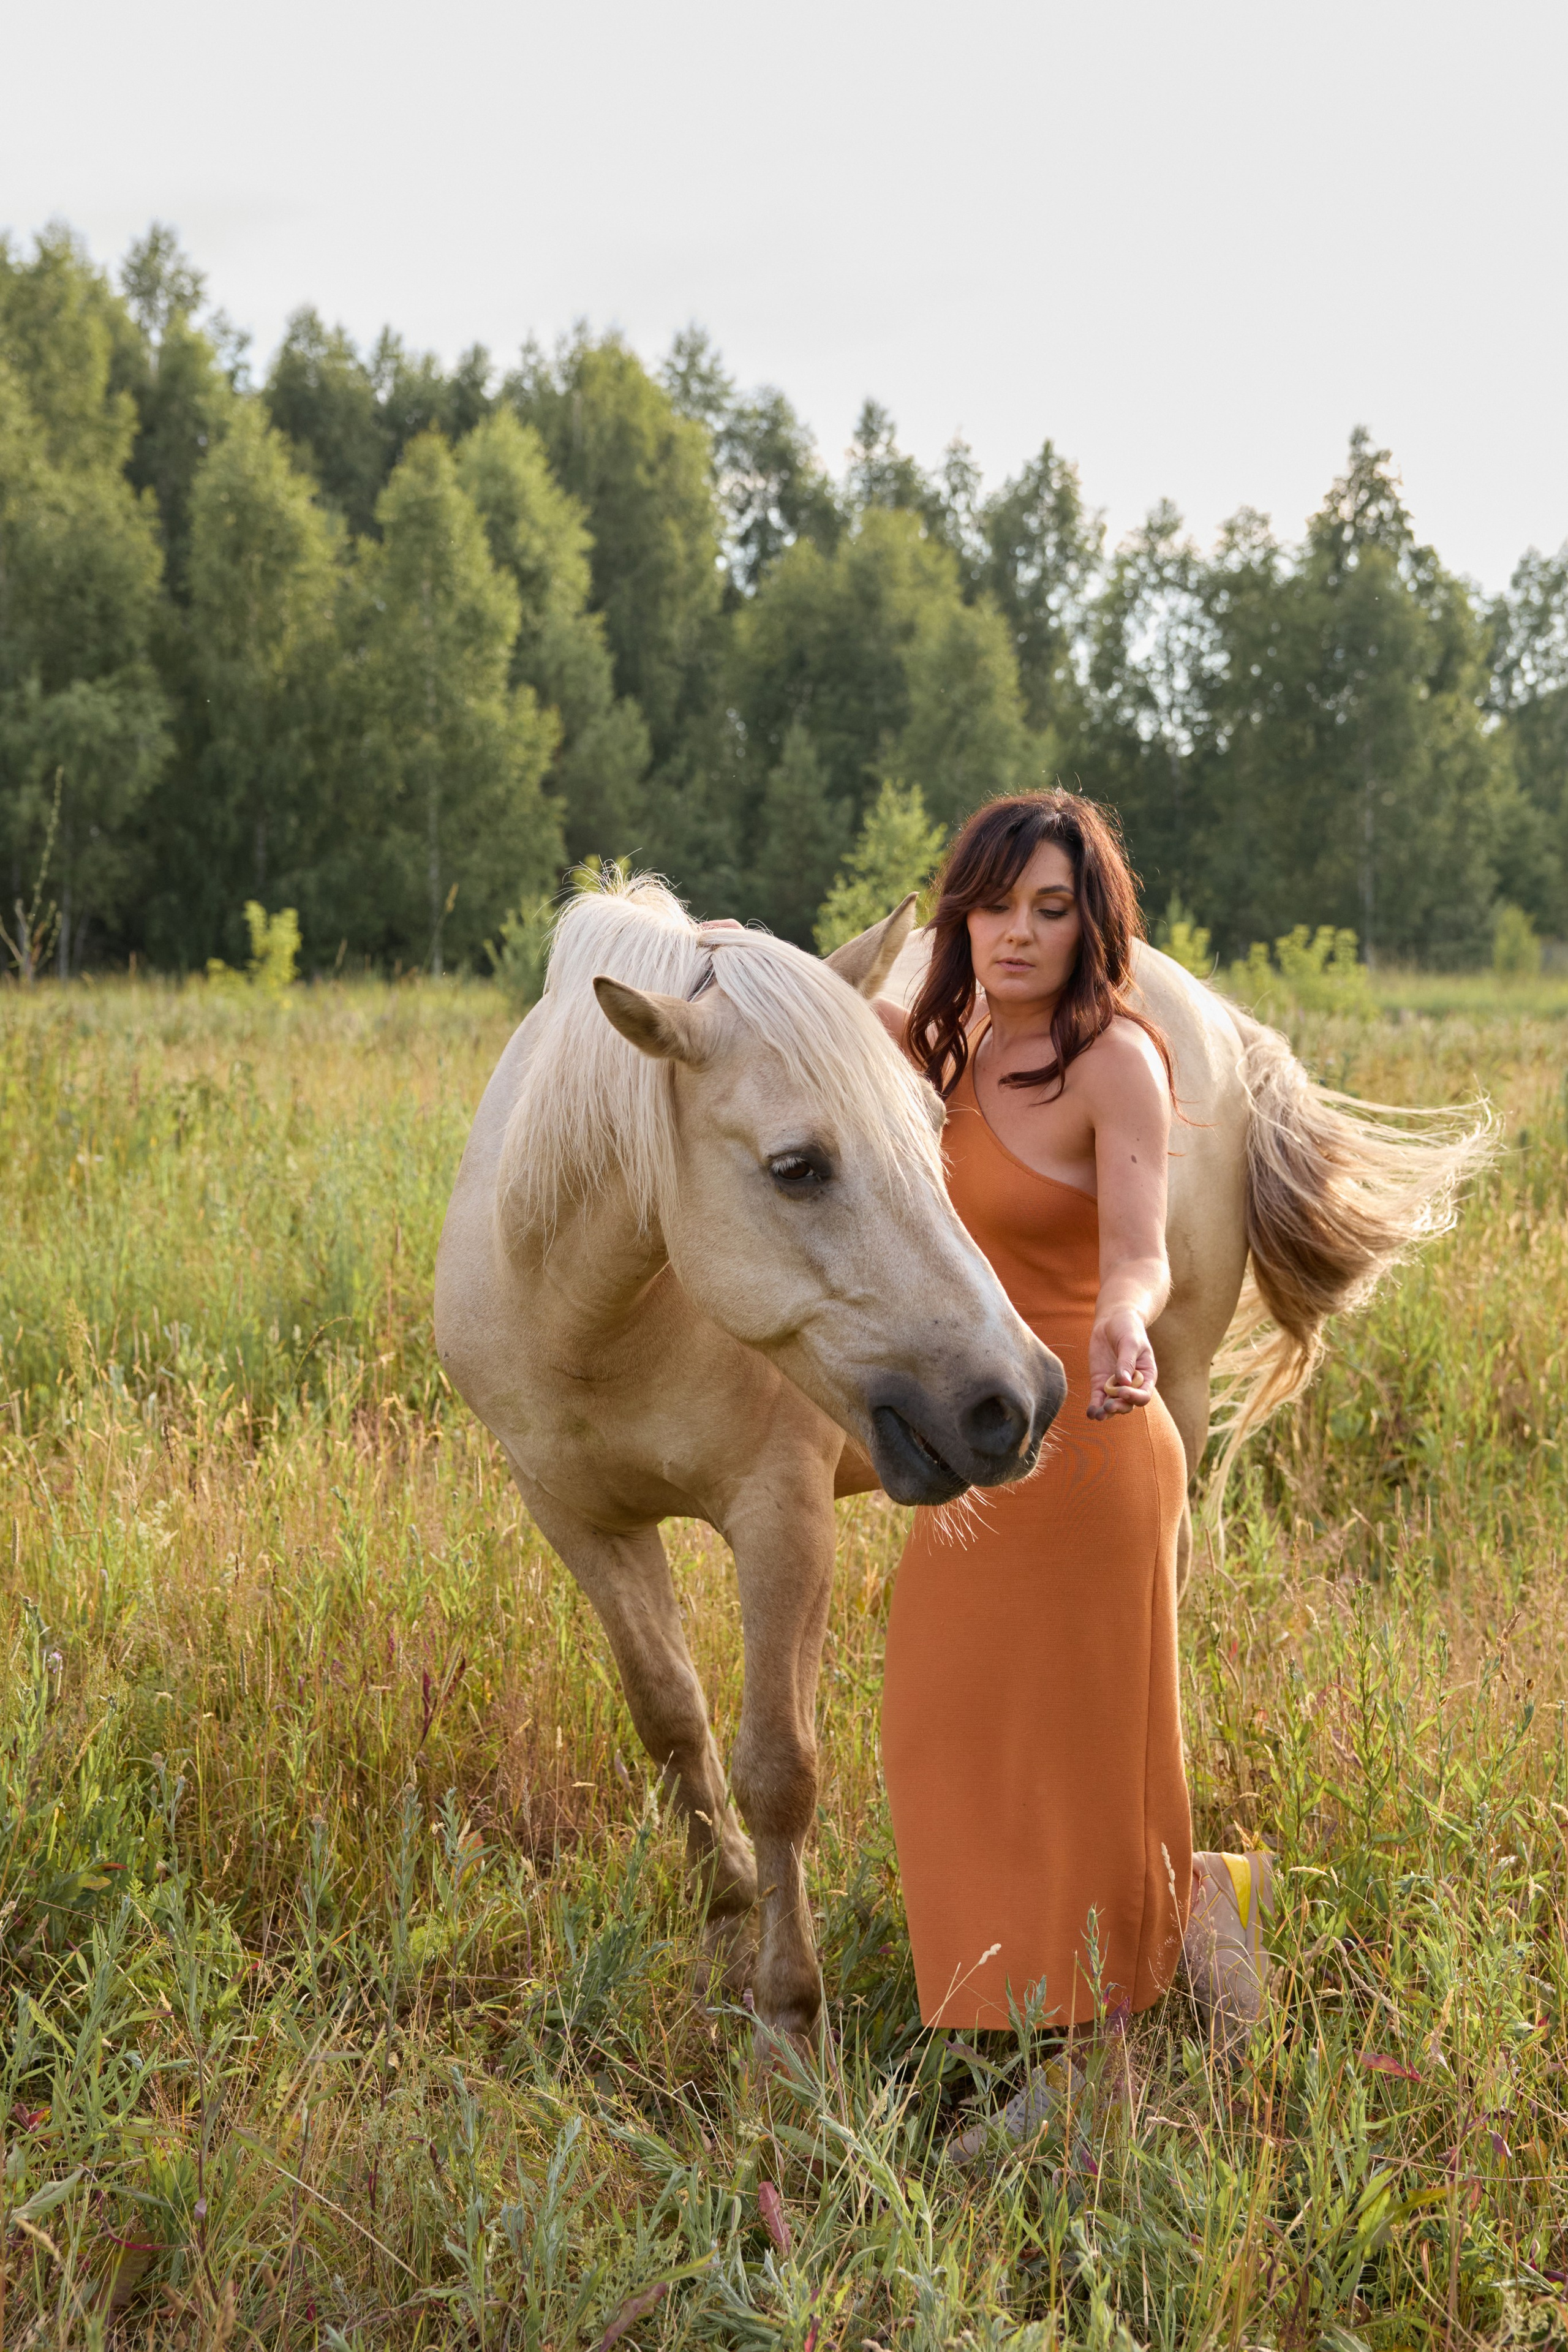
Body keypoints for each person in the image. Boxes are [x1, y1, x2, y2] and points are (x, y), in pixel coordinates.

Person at [873, 791, 1272, 2146]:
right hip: (979, 1445)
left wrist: (1122, 1317)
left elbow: (1141, 1250)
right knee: (936, 1722)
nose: (1016, 933)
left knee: (1092, 1748)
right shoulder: (939, 1049)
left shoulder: (1116, 1063)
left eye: (1049, 909)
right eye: (994, 906)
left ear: (1089, 923)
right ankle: (1197, 1898)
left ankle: (1103, 2054)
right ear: (961, 917)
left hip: (1093, 1427)